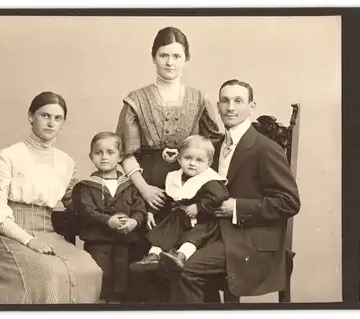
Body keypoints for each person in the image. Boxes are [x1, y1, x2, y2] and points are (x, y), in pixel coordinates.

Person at [0, 91, 103, 304]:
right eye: (44, 116)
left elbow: (73, 204)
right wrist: (29, 241)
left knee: (91, 270)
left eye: (57, 118)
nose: (51, 123)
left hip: (47, 232)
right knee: (49, 273)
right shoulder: (8, 156)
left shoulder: (66, 162)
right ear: (31, 117)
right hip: (6, 236)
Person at [115, 26, 223, 302]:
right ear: (154, 57)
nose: (170, 62)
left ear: (186, 59)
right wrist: (145, 191)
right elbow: (126, 152)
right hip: (147, 183)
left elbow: (215, 145)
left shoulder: (199, 99)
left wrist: (188, 153)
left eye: (176, 56)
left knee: (188, 249)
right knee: (148, 250)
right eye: (164, 55)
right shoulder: (135, 100)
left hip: (190, 185)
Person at [168, 79, 301, 302]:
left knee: (185, 269)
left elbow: (289, 202)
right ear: (218, 106)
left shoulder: (266, 148)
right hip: (216, 233)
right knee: (165, 262)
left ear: (251, 106)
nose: (230, 107)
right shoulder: (216, 146)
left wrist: (237, 208)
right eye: (225, 101)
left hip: (250, 241)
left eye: (238, 101)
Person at [129, 135, 229, 272]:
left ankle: (180, 256)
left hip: (203, 220)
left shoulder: (209, 179)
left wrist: (199, 206)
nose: (192, 163)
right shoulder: (175, 176)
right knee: (164, 232)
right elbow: (168, 197)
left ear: (209, 163)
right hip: (180, 217)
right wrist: (152, 212)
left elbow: (220, 195)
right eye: (188, 158)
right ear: (179, 159)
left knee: (193, 236)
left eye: (199, 160)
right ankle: (153, 256)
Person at [72, 132, 147, 303]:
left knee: (126, 283)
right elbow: (87, 211)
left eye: (110, 152)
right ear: (91, 157)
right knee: (101, 281)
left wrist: (134, 221)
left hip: (126, 243)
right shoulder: (86, 186)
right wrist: (107, 221)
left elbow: (139, 208)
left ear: (120, 156)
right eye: (98, 153)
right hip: (99, 244)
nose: (104, 157)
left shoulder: (130, 185)